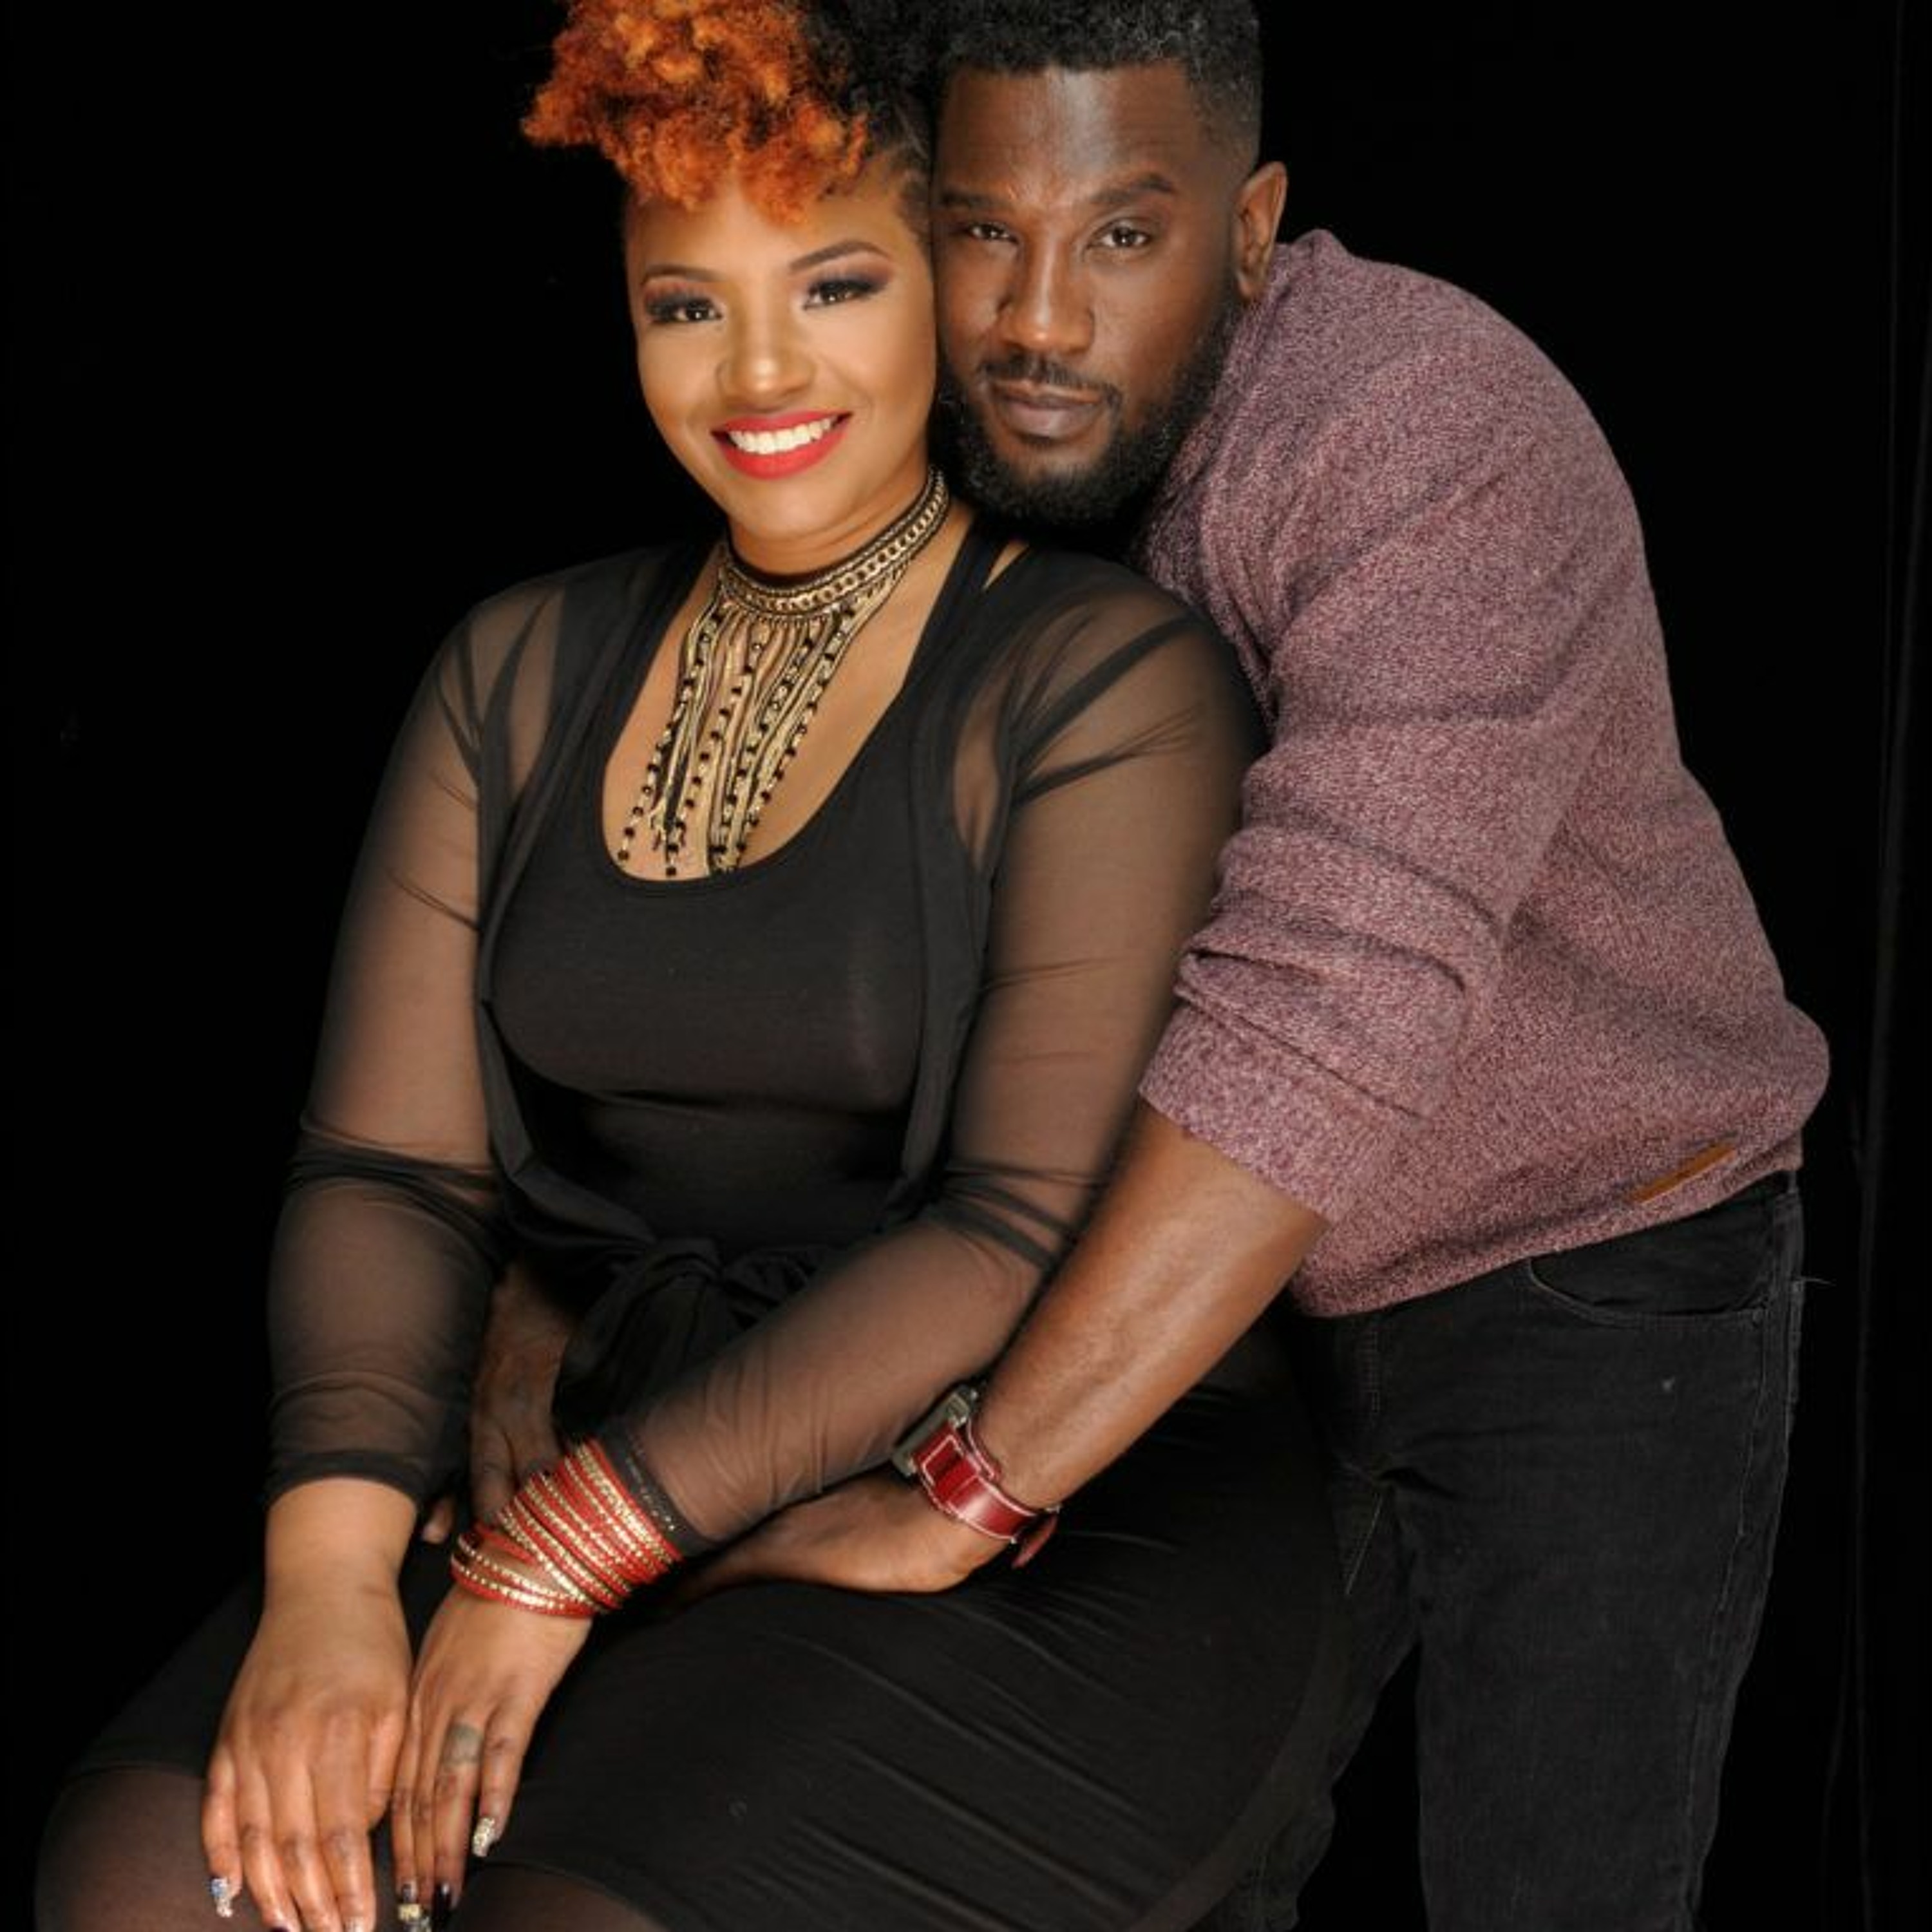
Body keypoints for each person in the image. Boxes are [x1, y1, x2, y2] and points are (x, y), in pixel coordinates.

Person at [32, 5, 1346, 1930]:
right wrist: (329, 1586)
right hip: (600, 1421)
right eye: (684, 306)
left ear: (944, 283)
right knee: (155, 1881)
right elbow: (389, 1170)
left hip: (1014, 1495)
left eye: (835, 285)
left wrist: (552, 1560)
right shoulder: (514, 668)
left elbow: (1015, 1231)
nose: (759, 372)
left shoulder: (1101, 680)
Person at [614, 5, 1828, 1929]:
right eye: (986, 232)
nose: (1036, 320)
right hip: (1221, 1301)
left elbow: (1325, 1016)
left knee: (1553, 1899)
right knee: (1150, 1881)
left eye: (1122, 234)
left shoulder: (1420, 432)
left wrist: (969, 1490)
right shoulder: (941, 444)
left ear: (1250, 233)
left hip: (1585, 1269)